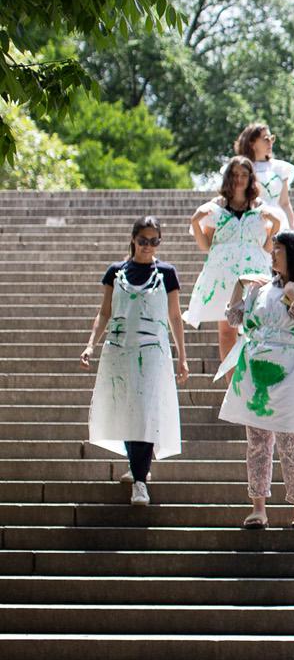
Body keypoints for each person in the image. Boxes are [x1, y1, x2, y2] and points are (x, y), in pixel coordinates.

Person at [215, 230, 294, 530]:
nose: (272, 254)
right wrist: (240, 285)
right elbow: (234, 319)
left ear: (293, 252)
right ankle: (258, 508)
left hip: (292, 369)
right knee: (258, 443)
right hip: (257, 370)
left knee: (292, 442)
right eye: (273, 248)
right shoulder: (260, 288)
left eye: (278, 249)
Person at [80, 217, 190, 506]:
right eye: (143, 240)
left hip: (153, 351)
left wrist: (182, 357)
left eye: (154, 241)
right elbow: (104, 312)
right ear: (133, 240)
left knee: (145, 409)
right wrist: (91, 344)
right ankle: (138, 466)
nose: (148, 247)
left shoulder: (166, 272)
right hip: (120, 349)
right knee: (128, 408)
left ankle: (140, 480)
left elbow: (175, 317)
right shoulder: (116, 272)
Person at [183, 156, 283, 362]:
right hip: (223, 275)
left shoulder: (260, 206)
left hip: (253, 272)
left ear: (250, 178)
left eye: (244, 175)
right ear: (229, 176)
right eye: (235, 174)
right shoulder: (216, 206)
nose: (239, 179)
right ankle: (231, 386)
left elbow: (267, 247)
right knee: (227, 331)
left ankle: (249, 383)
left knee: (253, 328)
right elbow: (206, 246)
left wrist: (276, 225)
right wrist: (195, 222)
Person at [233, 123, 294, 229]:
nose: (270, 142)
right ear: (252, 143)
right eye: (266, 139)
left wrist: (293, 229)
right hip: (250, 223)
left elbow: (285, 203)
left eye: (272, 138)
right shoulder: (241, 168)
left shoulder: (281, 167)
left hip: (278, 223)